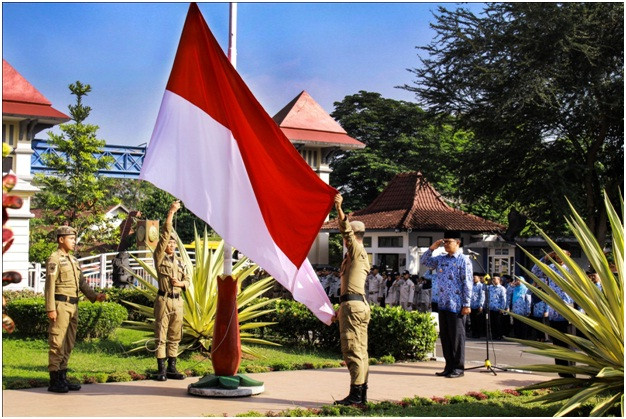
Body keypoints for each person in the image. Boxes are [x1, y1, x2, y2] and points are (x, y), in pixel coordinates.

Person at [45, 226, 107, 393]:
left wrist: (95, 296)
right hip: (60, 305)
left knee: (69, 342)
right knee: (57, 341)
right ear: (61, 239)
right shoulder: (54, 259)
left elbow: (82, 283)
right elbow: (49, 286)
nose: (74, 242)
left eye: (74, 238)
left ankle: (63, 376)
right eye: (71, 238)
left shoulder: (73, 260)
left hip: (74, 305)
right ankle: (54, 379)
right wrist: (50, 308)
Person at [332, 193, 370, 405]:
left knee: (353, 349)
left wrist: (339, 209)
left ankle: (356, 397)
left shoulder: (356, 250)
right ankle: (361, 395)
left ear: (354, 236)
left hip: (354, 306)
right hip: (355, 304)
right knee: (361, 351)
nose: (343, 240)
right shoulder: (356, 255)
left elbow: (346, 232)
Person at [420, 231, 472, 378]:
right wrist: (432, 248)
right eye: (445, 242)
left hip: (457, 305)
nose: (446, 245)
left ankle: (458, 368)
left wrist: (466, 304)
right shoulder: (441, 259)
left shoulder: (463, 260)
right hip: (442, 303)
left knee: (457, 337)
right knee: (446, 337)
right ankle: (449, 366)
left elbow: (467, 283)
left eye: (449, 242)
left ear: (458, 243)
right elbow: (424, 262)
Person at [153, 200, 190, 381]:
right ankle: (160, 369)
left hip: (178, 300)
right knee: (161, 334)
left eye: (174, 244)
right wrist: (172, 212)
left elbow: (188, 280)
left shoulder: (180, 262)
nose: (171, 245)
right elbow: (166, 233)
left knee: (175, 334)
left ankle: (171, 368)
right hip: (164, 299)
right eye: (169, 243)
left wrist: (181, 284)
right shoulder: (159, 258)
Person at [531, 248, 574, 378]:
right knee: (557, 344)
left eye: (562, 254)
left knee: (568, 343)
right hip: (554, 310)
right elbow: (535, 271)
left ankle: (571, 372)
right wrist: (545, 258)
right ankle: (562, 372)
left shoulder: (571, 269)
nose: (559, 257)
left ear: (568, 255)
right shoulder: (550, 268)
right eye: (557, 254)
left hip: (568, 309)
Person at [487, 275, 507, 340]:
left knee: (498, 323)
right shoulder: (490, 287)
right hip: (491, 307)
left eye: (495, 279)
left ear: (499, 280)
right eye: (493, 279)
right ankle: (493, 335)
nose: (493, 280)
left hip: (498, 308)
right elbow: (483, 288)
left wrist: (502, 308)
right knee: (492, 323)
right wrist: (487, 281)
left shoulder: (502, 288)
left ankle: (499, 335)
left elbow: (503, 299)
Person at [469, 274, 486, 338]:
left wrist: (481, 305)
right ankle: (474, 333)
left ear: (479, 278)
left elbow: (482, 296)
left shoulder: (481, 286)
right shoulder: (471, 285)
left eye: (475, 277)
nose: (473, 279)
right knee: (472, 320)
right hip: (472, 305)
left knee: (479, 321)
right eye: (473, 277)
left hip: (478, 306)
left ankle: (479, 334)